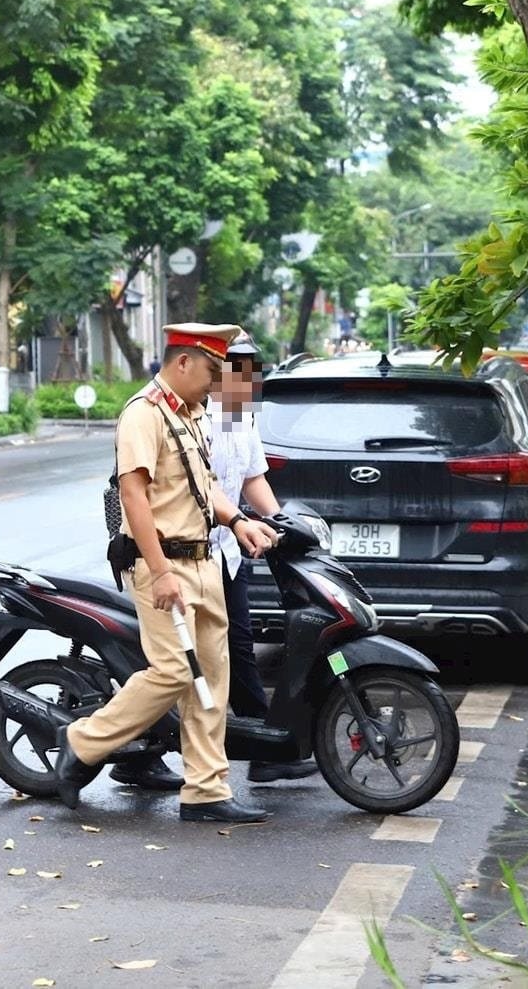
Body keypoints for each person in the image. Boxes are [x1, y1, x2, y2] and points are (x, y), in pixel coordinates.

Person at [53, 323, 280, 824]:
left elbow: (207, 489)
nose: (217, 383)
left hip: (206, 561)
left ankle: (205, 791)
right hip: (165, 564)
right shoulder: (143, 414)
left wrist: (240, 522)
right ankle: (82, 741)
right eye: (211, 371)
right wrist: (159, 572)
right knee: (175, 671)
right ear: (183, 362)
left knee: (212, 680)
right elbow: (134, 494)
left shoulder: (193, 414)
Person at [210, 333, 319, 783]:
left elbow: (252, 475)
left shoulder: (240, 416)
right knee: (182, 658)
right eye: (238, 366)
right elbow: (202, 484)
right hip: (187, 550)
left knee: (238, 647)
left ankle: (264, 746)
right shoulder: (194, 416)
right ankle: (143, 752)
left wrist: (282, 524)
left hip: (228, 550)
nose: (247, 376)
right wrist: (239, 520)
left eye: (252, 367)